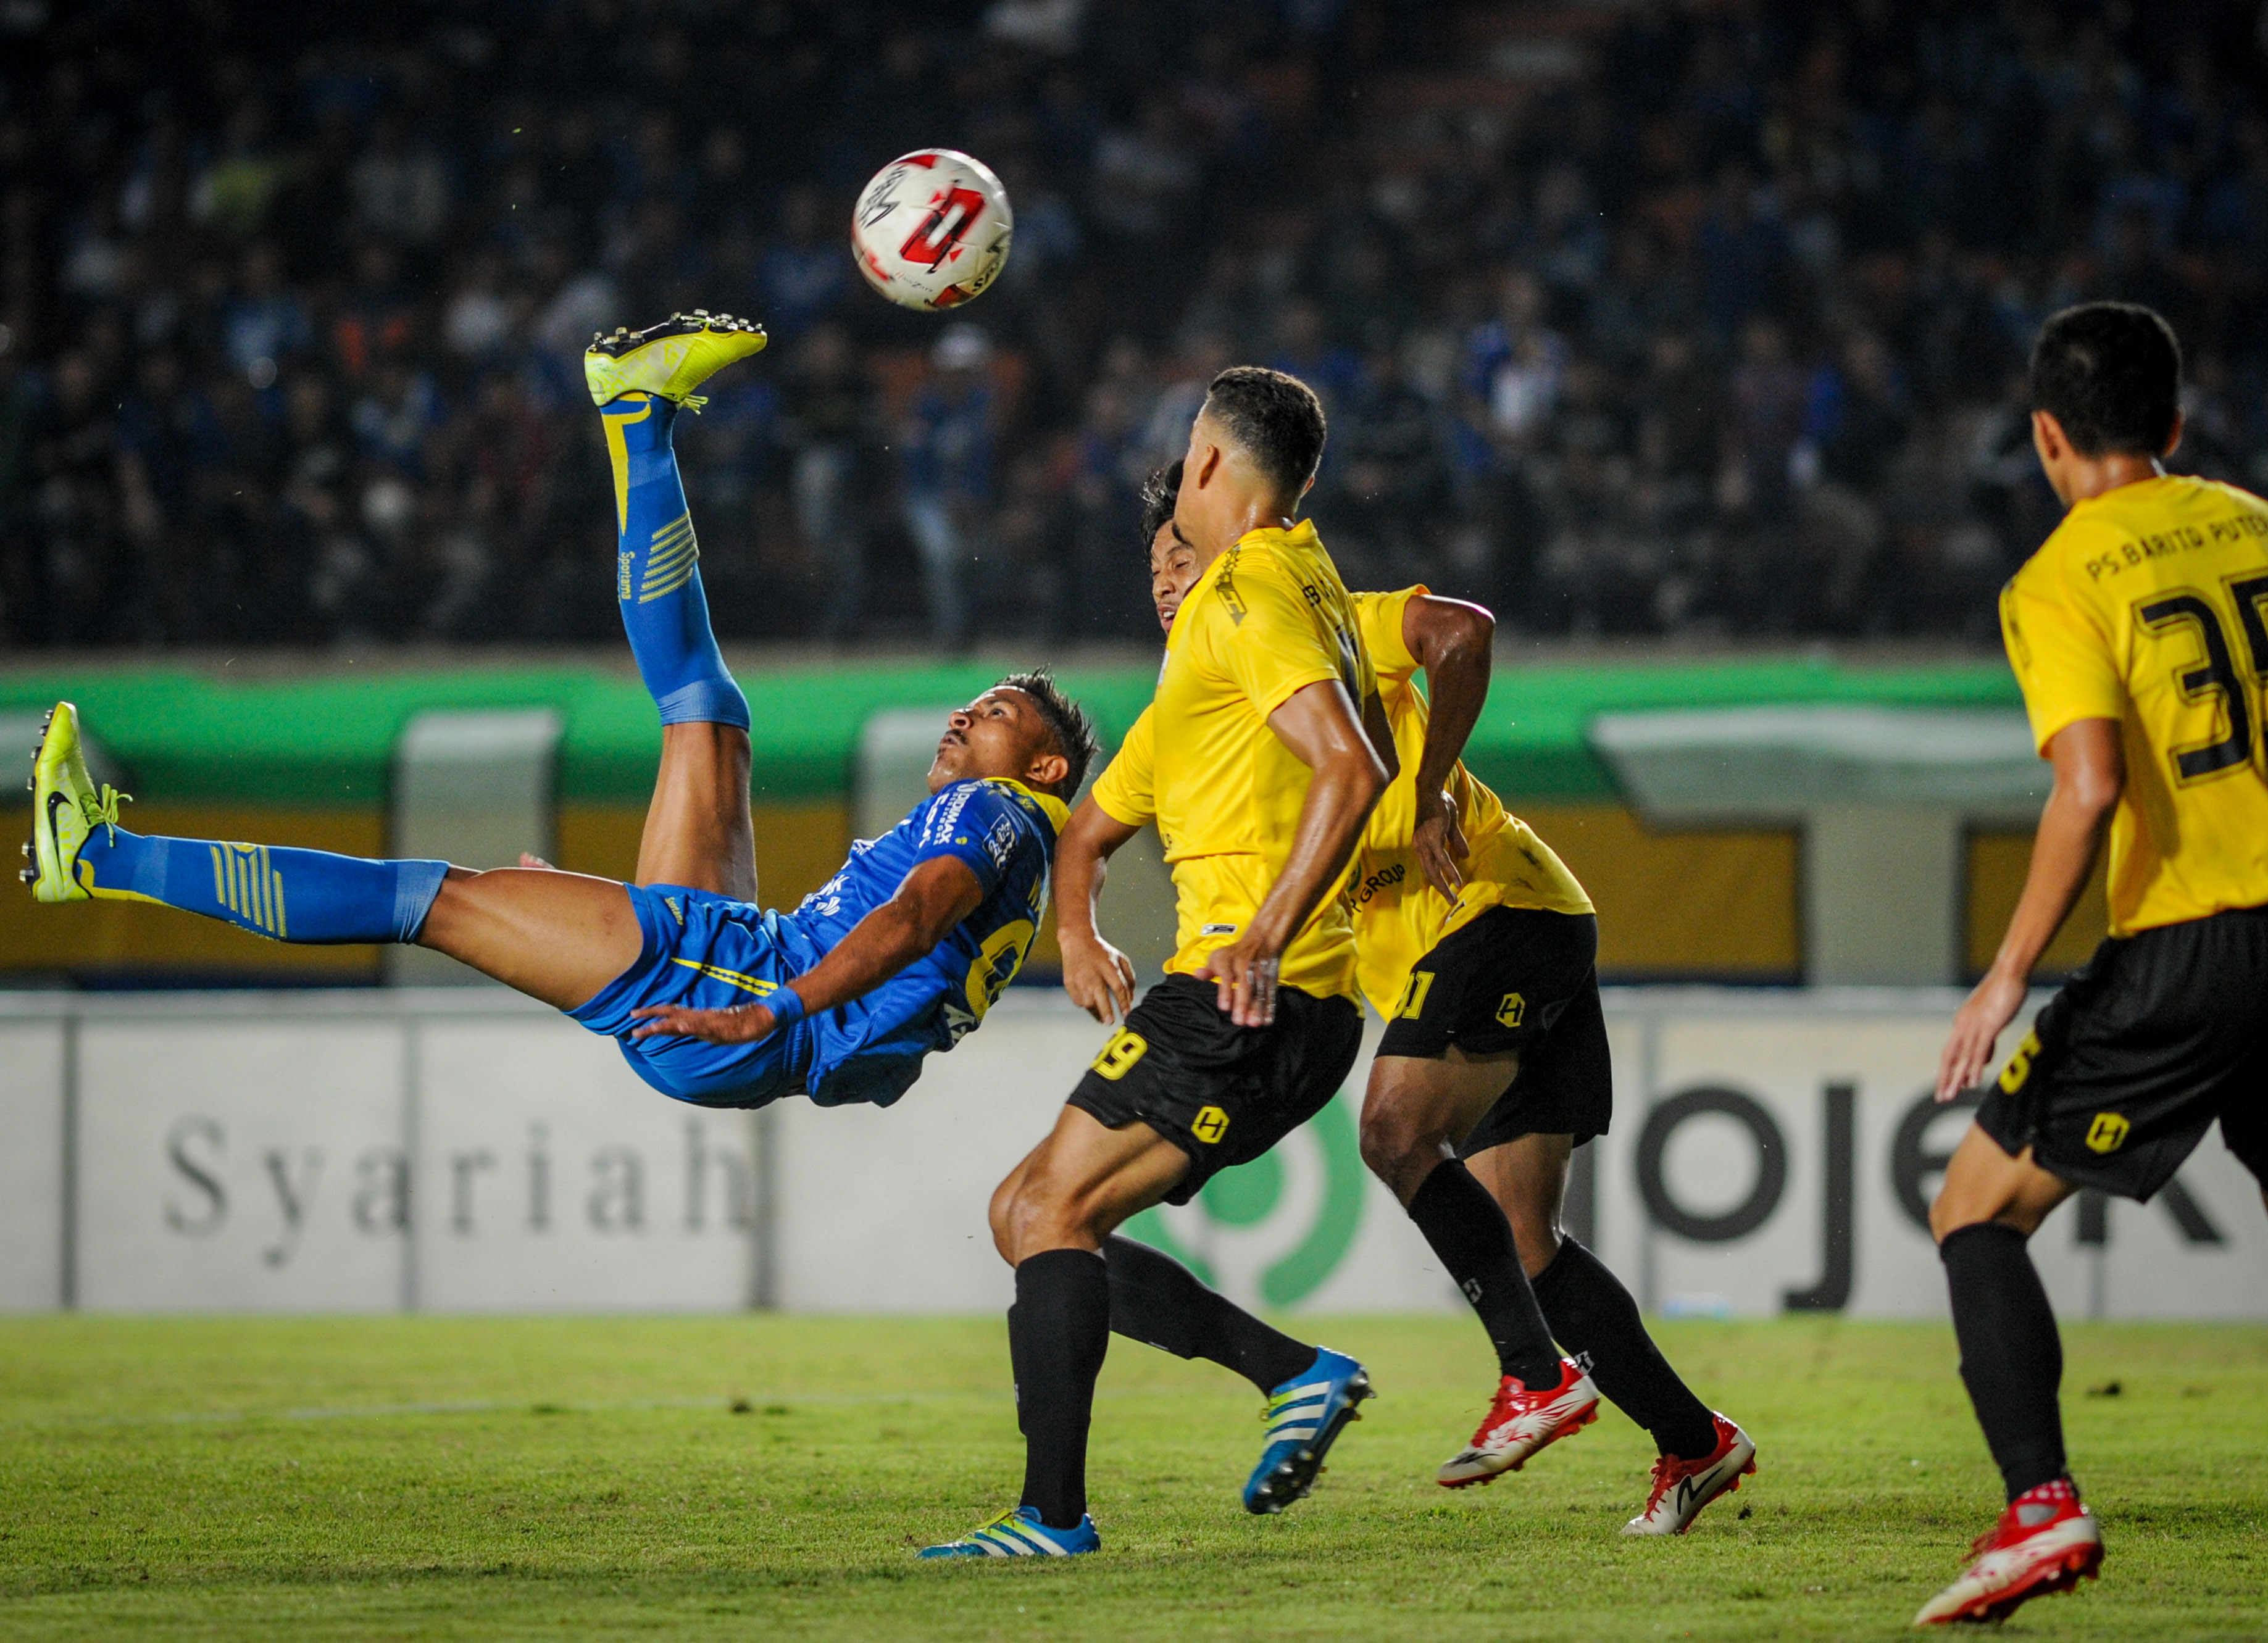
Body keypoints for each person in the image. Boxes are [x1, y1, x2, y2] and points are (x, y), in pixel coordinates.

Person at [23, 312, 1097, 1117]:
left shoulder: (1000, 815)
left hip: (742, 985)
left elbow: (907, 919)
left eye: (997, 710)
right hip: (745, 963)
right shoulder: (1022, 854)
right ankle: (639, 415)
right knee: (705, 712)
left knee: (431, 901)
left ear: (1043, 770)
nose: (965, 714)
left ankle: (100, 855)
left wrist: (776, 1011)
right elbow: (892, 1057)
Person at [1921, 302, 2268, 1629]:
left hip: (2187, 941)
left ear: (2045, 436)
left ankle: (2037, 1507)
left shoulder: (2058, 575)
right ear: (2173, 421)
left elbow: (2088, 785)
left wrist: (2002, 978)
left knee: (1973, 1212)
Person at [1138, 457, 1756, 1529]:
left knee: (1390, 1132)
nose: (1165, 582)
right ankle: (1695, 1441)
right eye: (1153, 568)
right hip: (1521, 928)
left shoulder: (1331, 628)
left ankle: (1537, 1376)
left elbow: (1464, 630)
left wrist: (1426, 790)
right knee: (1526, 1244)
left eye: (1183, 555)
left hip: (1495, 914)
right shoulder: (1219, 723)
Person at [919, 367, 1391, 1560]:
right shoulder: (1224, 658)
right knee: (1028, 1212)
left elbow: (1352, 764)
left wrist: (1271, 931)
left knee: (1051, 1206)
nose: (1168, 571)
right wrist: (1077, 931)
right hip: (1248, 994)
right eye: (1156, 566)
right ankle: (1292, 1371)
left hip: (1252, 987)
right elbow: (1087, 830)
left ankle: (1055, 1517)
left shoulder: (1253, 587)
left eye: (1181, 532)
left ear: (1216, 471)